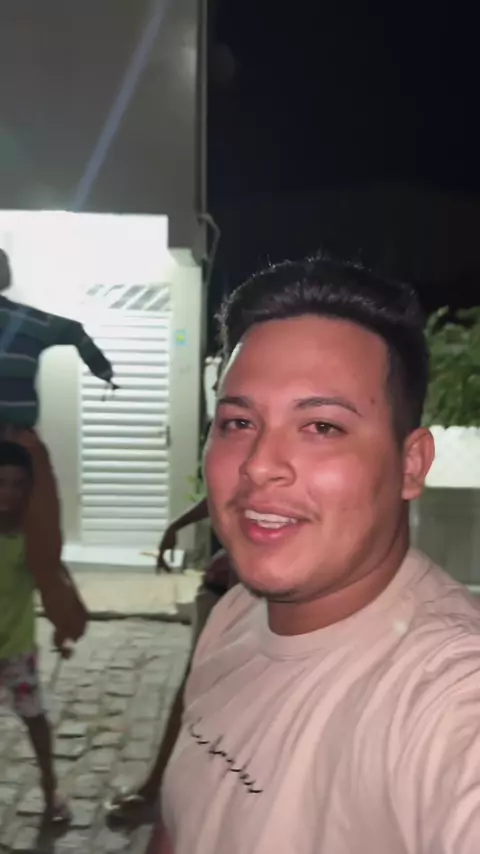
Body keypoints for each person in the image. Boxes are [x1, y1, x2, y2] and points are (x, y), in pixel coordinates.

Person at [154, 254, 480, 853]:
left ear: (411, 464)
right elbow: (181, 821)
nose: (259, 465)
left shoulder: (446, 693)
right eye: (237, 422)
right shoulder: (236, 612)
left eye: (322, 427)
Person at [0, 247, 115, 645]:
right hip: (22, 442)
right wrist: (102, 368)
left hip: (21, 444)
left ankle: (63, 622)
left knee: (41, 542)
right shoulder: (32, 321)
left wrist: (102, 369)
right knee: (43, 543)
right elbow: (76, 332)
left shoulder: (30, 321)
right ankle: (66, 625)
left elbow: (74, 331)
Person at [106, 501, 234, 822]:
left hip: (247, 599)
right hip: (224, 592)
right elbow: (225, 496)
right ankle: (160, 790)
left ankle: (166, 793)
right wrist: (177, 524)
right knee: (195, 691)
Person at [0, 441, 71, 823]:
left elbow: (55, 579)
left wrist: (65, 624)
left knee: (34, 719)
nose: (9, 492)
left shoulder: (31, 537)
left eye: (18, 484)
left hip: (15, 651)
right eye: (1, 483)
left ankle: (49, 787)